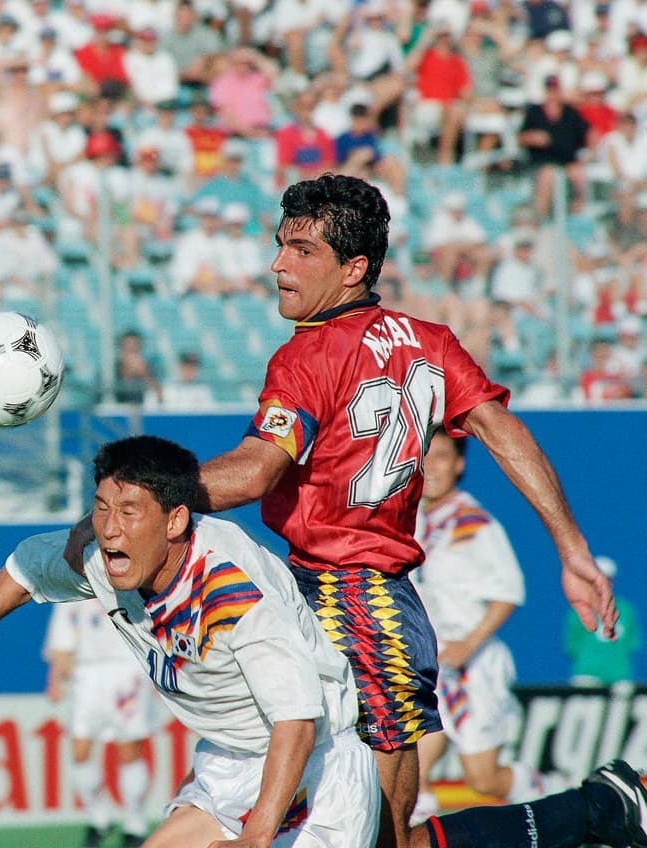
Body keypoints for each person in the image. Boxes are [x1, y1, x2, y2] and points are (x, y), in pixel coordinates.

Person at [63, 173, 639, 848]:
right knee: (345, 827)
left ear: (354, 268)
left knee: (377, 836)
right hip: (332, 599)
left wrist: (143, 498)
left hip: (359, 606)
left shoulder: (308, 355)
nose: (278, 263)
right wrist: (570, 549)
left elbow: (254, 471)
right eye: (280, 245)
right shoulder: (430, 339)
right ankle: (600, 811)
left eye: (302, 250)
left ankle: (596, 813)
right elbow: (502, 432)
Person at [0, 435, 383, 848]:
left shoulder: (231, 589)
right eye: (101, 509)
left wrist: (255, 840)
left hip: (316, 766)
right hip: (230, 766)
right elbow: (26, 568)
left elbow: (295, 724)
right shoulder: (103, 560)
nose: (110, 529)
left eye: (129, 511)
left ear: (175, 521)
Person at [409, 431, 568, 824]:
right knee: (413, 772)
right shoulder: (411, 521)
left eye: (442, 457)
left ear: (459, 465)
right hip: (432, 664)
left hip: (474, 666)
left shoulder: (474, 523)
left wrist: (469, 643)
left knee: (482, 778)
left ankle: (554, 799)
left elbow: (509, 591)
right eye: (424, 457)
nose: (431, 467)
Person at [44, 596, 154, 847]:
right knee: (80, 751)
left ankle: (135, 824)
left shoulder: (128, 573)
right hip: (86, 671)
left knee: (128, 750)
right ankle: (99, 818)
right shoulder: (73, 573)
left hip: (128, 667)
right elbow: (63, 626)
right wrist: (56, 674)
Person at [567, 555, 640, 687]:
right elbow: (573, 646)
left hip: (619, 676)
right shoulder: (580, 609)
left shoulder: (626, 610)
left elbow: (631, 643)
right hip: (587, 675)